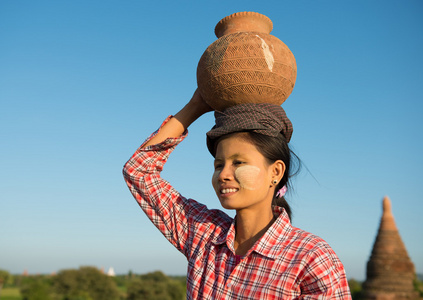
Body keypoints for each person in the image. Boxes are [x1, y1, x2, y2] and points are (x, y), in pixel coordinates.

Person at [123, 90, 352, 299]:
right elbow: (138, 172)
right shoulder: (204, 235)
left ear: (276, 172)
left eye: (238, 162)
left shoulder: (311, 258)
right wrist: (195, 106)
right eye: (218, 165)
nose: (223, 175)